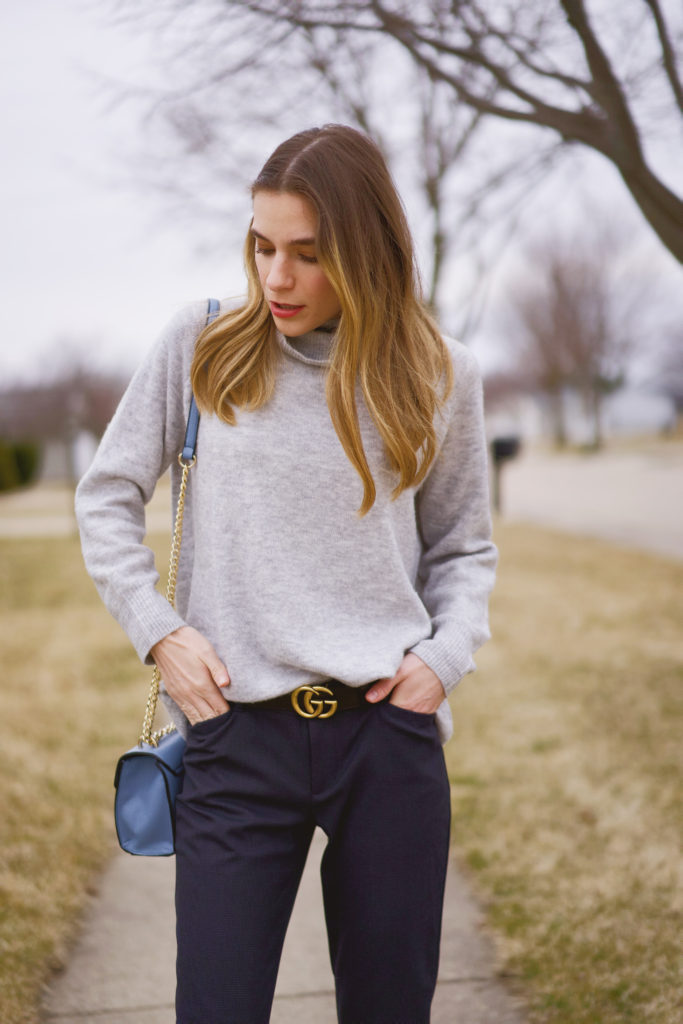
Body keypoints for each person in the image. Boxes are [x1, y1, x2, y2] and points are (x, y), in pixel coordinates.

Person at [75, 123, 497, 1024]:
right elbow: (106, 495)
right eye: (262, 247)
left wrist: (443, 658)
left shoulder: (439, 374)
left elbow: (464, 546)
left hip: (387, 740)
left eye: (308, 254)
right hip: (236, 741)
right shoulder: (204, 346)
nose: (276, 277)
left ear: (367, 249)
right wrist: (161, 633)